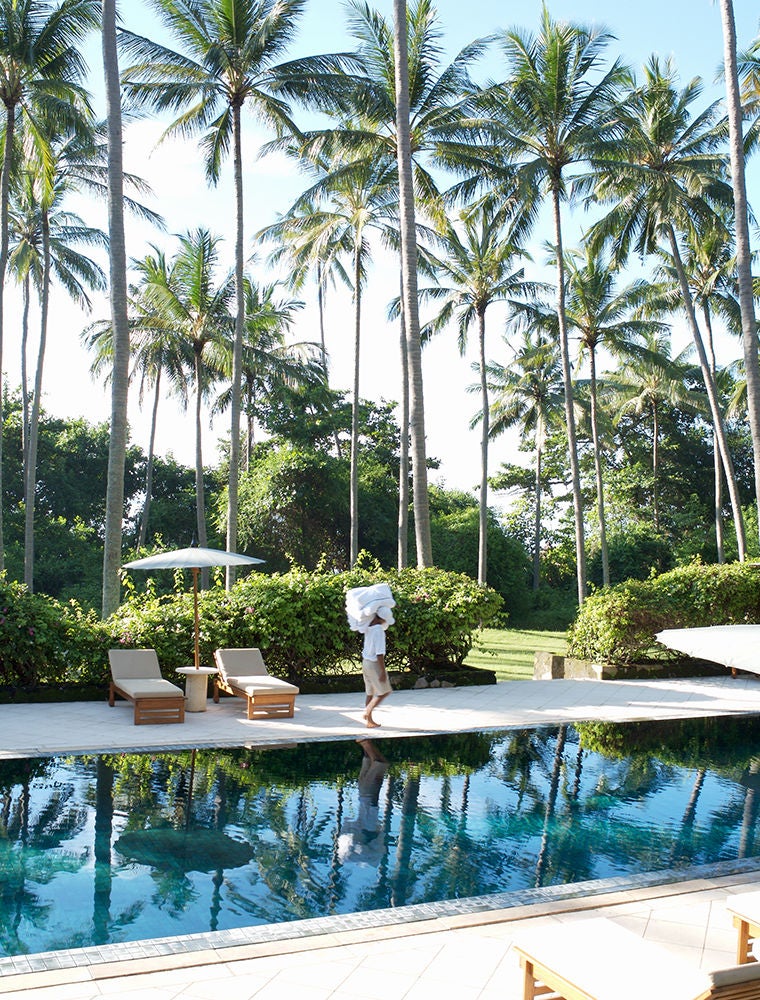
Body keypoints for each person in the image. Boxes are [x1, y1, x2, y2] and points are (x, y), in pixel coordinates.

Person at [361, 606, 393, 728]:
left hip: (366, 662)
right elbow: (379, 653)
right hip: (374, 664)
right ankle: (367, 712)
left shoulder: (369, 628)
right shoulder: (379, 630)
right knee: (384, 691)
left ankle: (369, 721)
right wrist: (383, 672)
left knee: (370, 692)